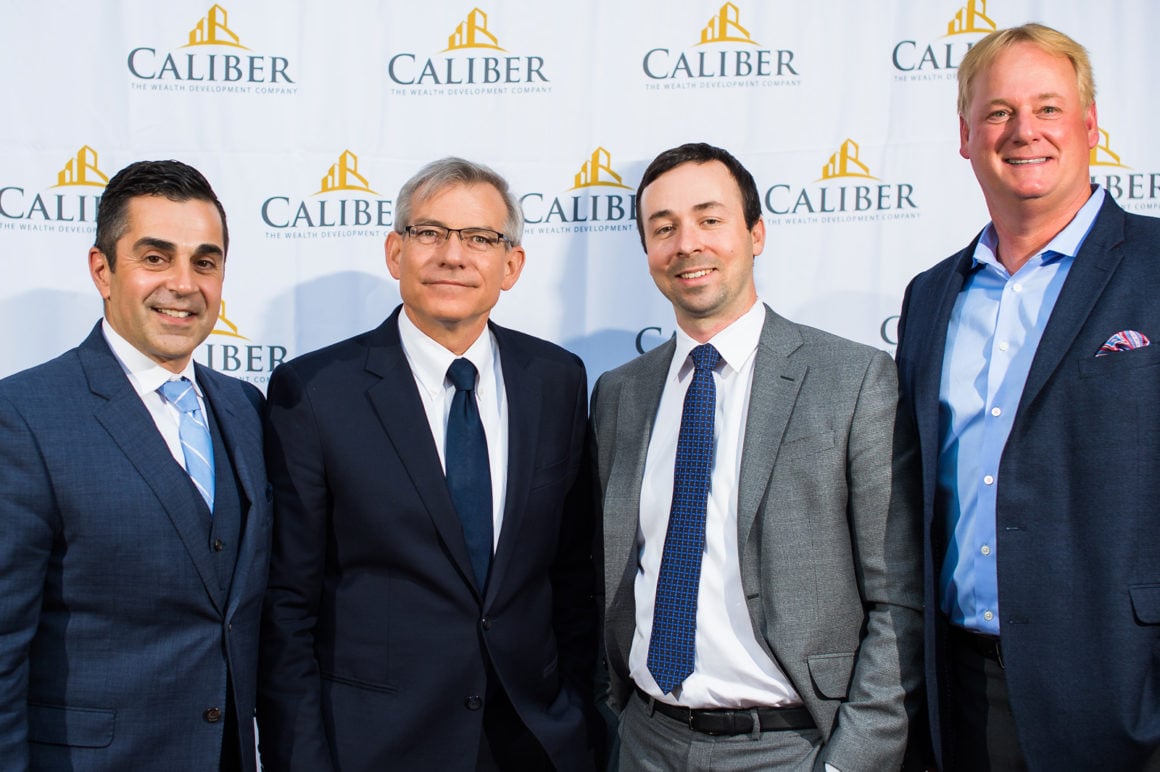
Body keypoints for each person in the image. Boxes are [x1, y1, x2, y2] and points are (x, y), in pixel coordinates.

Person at [257, 157, 599, 770]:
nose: (453, 255)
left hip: (535, 739)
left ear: (511, 265)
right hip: (378, 745)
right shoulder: (313, 392)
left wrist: (580, 719)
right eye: (430, 233)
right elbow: (288, 607)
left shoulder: (558, 380)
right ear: (395, 253)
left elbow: (575, 575)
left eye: (479, 239)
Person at [591, 142, 922, 771]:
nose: (687, 243)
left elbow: (898, 599)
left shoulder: (851, 380)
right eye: (663, 228)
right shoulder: (619, 394)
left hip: (795, 747)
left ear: (756, 233)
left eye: (710, 219)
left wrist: (850, 762)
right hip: (644, 741)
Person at [895, 22, 1160, 770]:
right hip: (963, 693)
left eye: (1047, 108)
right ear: (966, 135)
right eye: (999, 112)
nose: (1024, 132)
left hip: (1121, 689)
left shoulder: (1155, 265)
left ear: (1089, 126)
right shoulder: (929, 296)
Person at [0, 160, 269, 770]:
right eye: (155, 258)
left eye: (205, 261)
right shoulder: (22, 416)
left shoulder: (246, 407)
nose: (183, 283)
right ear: (103, 270)